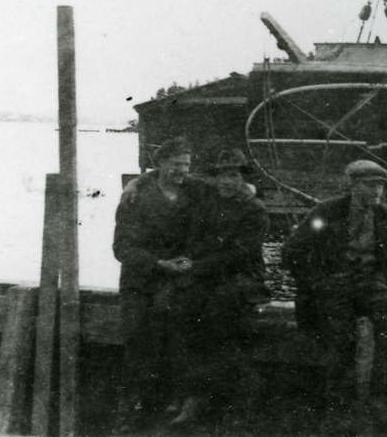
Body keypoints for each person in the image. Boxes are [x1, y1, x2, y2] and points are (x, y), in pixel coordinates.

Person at [281, 159, 387, 436]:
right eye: (370, 185)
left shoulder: (383, 213)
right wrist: (319, 282)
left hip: (370, 284)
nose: (377, 191)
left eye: (380, 186)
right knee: (339, 333)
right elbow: (292, 251)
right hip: (332, 285)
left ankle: (379, 398)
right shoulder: (326, 211)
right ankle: (337, 408)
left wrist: (383, 280)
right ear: (353, 186)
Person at [158, 148, 270, 429]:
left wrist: (196, 266)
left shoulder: (254, 209)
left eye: (233, 176)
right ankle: (189, 393)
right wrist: (185, 261)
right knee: (178, 308)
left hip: (242, 277)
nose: (226, 182)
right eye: (222, 176)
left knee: (219, 316)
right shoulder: (209, 203)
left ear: (243, 179)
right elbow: (195, 240)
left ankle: (230, 402)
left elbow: (241, 254)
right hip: (209, 274)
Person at [111, 135, 210, 432]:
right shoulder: (135, 198)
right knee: (136, 339)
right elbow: (122, 248)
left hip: (177, 280)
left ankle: (174, 405)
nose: (183, 171)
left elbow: (226, 188)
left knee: (180, 335)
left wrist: (250, 188)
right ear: (161, 163)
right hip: (141, 281)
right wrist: (157, 263)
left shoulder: (193, 190)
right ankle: (129, 410)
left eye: (187, 165)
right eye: (177, 164)